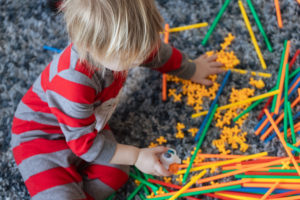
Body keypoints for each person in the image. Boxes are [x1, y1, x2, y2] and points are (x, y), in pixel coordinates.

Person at [11, 0, 224, 199]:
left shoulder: (121, 46)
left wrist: (191, 69)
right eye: (131, 57)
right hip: (41, 139)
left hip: (89, 126)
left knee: (117, 173)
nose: (139, 60)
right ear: (89, 46)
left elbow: (155, 53)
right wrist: (137, 156)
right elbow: (84, 145)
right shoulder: (73, 82)